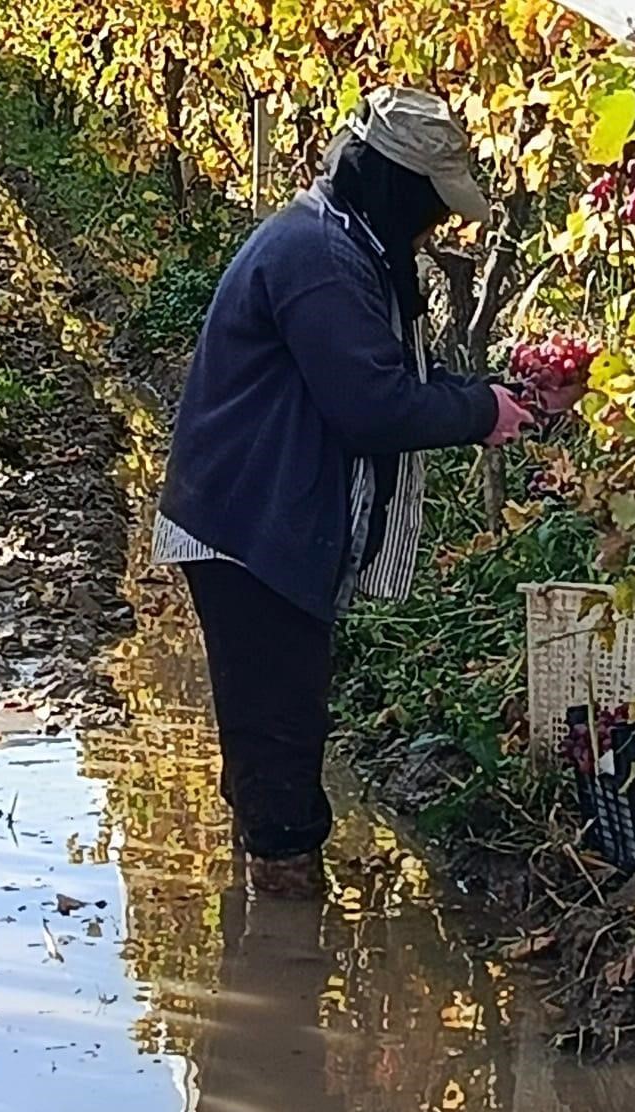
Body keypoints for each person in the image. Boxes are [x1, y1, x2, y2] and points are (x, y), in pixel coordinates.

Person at [153, 87, 567, 897]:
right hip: (252, 525)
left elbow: (379, 377)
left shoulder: (336, 241)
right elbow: (370, 405)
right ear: (395, 186)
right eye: (431, 207)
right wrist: (481, 411)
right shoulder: (320, 259)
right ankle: (282, 937)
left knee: (271, 719)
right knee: (281, 725)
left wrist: (481, 393)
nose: (435, 227)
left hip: (259, 510)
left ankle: (263, 880)